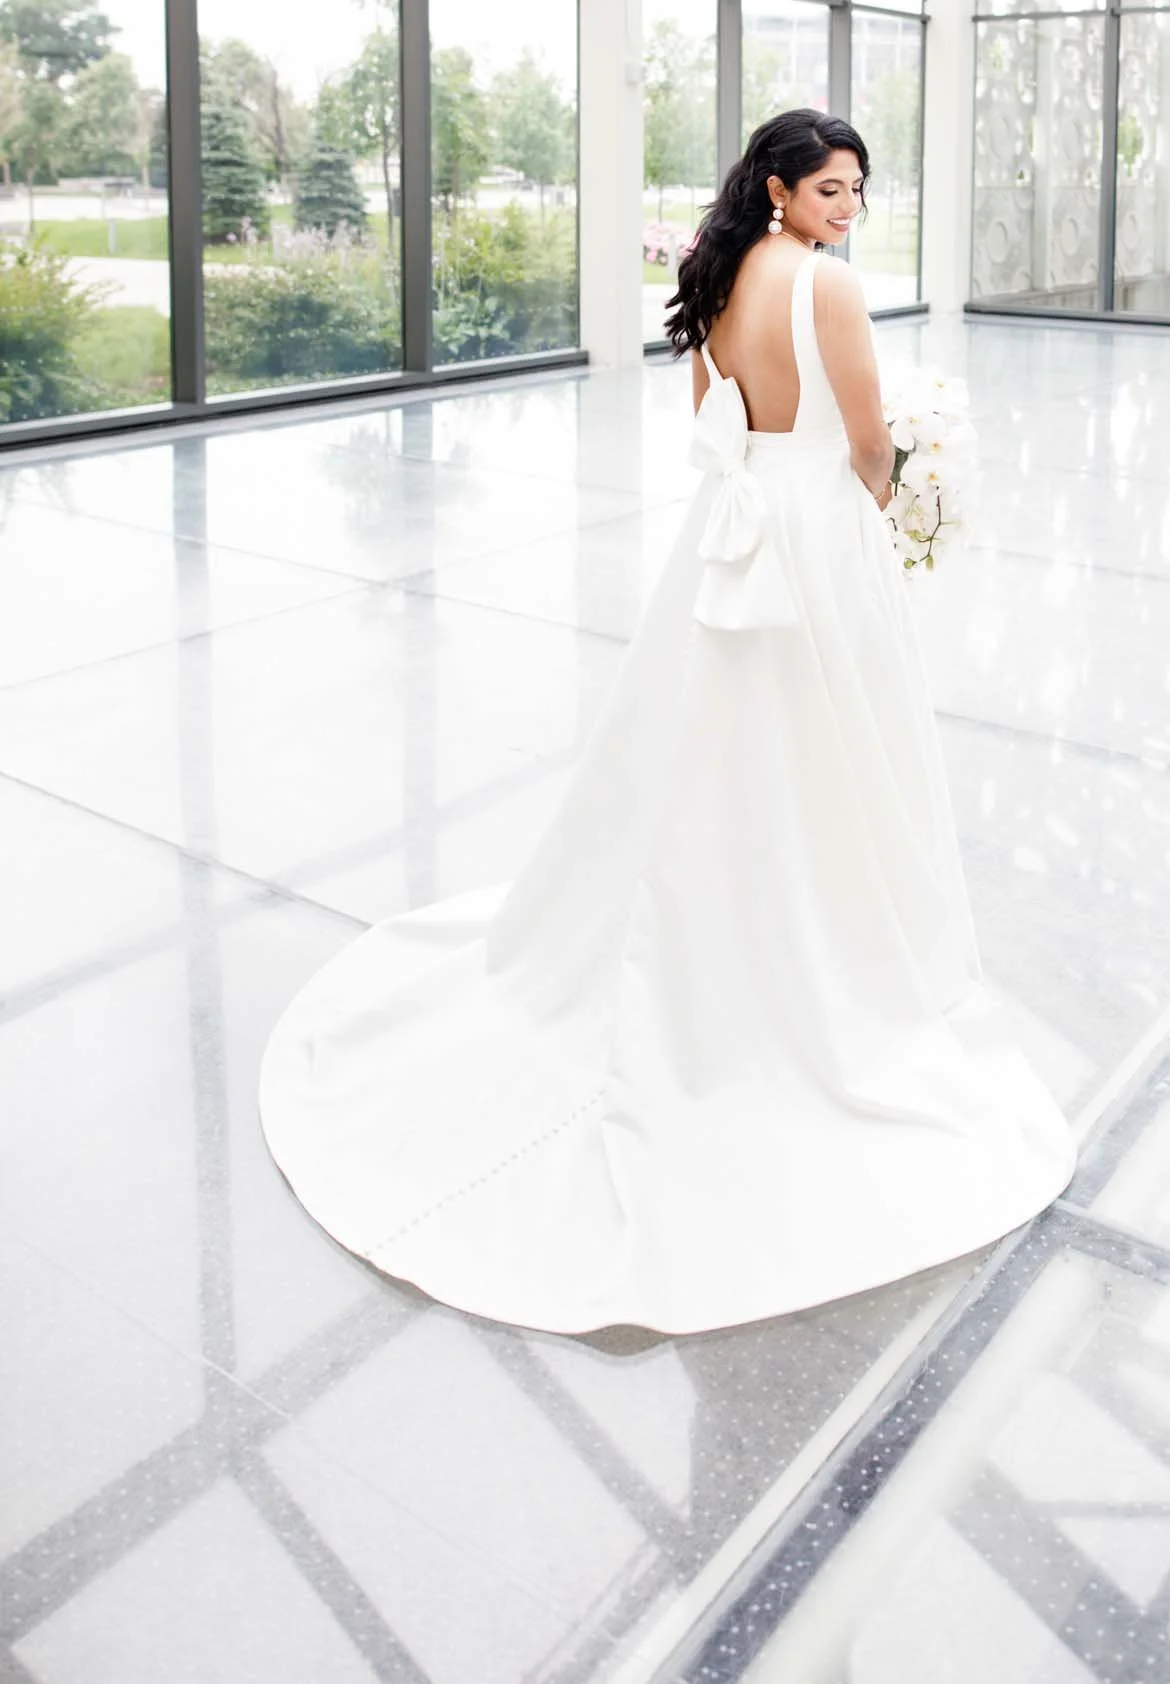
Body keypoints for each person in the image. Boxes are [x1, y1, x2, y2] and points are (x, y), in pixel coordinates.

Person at [260, 111, 1075, 1333]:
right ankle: (812, 949)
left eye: (858, 190)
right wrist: (880, 513)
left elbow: (715, 424)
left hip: (728, 531)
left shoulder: (716, 273)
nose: (848, 207)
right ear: (780, 188)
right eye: (831, 188)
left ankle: (716, 910)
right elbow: (865, 444)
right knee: (828, 751)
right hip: (811, 536)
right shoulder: (830, 288)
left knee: (709, 747)